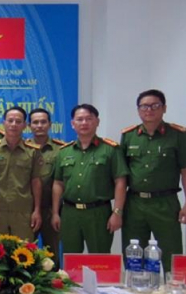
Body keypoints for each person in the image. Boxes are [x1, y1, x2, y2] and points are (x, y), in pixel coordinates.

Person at [120, 89, 186, 270]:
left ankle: (174, 291)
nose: (149, 110)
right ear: (138, 110)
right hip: (135, 203)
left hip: (166, 203)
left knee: (172, 253)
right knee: (133, 255)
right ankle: (135, 292)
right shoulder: (129, 135)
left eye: (155, 106)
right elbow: (121, 175)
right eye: (144, 106)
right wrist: (118, 208)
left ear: (164, 108)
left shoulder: (179, 135)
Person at [52, 104, 129, 253]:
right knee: (70, 259)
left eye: (89, 119)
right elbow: (58, 183)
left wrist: (117, 212)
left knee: (100, 259)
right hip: (69, 213)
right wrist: (55, 213)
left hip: (98, 213)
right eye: (79, 119)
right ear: (72, 124)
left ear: (97, 122)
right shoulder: (64, 151)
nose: (84, 123)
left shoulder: (110, 149)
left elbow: (120, 182)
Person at [0, 107, 43, 241]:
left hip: (23, 211)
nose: (14, 124)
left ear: (25, 125)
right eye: (10, 120)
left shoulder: (32, 151)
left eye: (18, 121)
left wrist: (37, 210)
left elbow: (36, 181)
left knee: (24, 255)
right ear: (3, 123)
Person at [27, 108, 66, 261]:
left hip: (52, 208)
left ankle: (54, 283)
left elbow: (61, 181)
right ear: (29, 125)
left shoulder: (60, 149)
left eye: (43, 122)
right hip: (28, 209)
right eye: (35, 122)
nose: (39, 125)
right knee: (26, 253)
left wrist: (56, 212)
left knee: (53, 253)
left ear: (50, 124)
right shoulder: (24, 148)